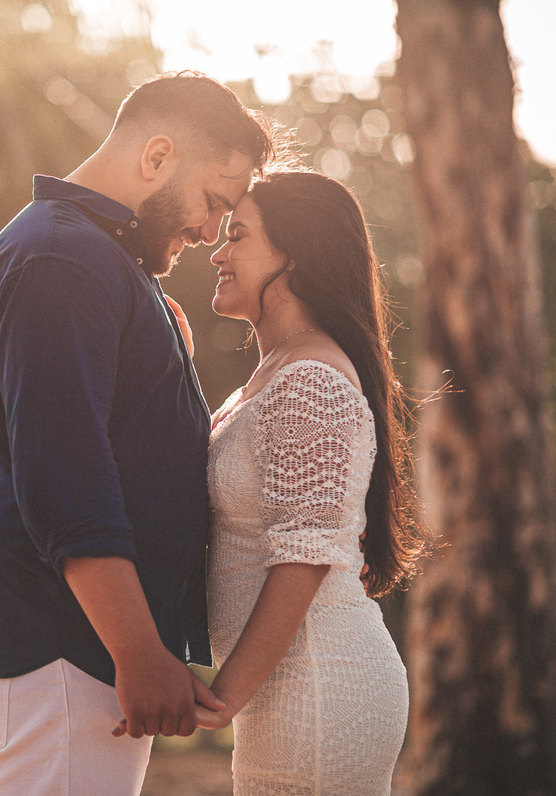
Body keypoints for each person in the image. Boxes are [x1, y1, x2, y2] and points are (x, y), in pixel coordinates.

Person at [0, 71, 276, 795]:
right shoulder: (63, 260)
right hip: (58, 643)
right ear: (157, 157)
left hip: (73, 642)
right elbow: (65, 477)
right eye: (214, 202)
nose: (210, 232)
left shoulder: (95, 259)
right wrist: (138, 650)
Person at [196, 171, 430, 794]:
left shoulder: (310, 381)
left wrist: (222, 697)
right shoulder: (276, 373)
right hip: (288, 686)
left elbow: (303, 557)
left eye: (237, 235)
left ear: (294, 254)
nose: (218, 253)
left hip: (320, 684)